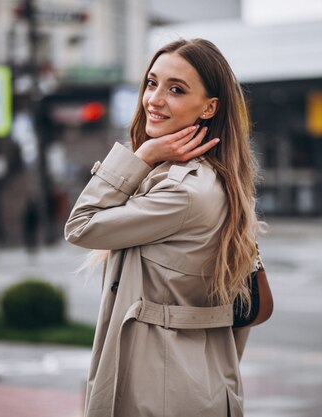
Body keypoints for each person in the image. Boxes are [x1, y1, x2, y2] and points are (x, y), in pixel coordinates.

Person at [65, 38, 262, 417]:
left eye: (176, 89)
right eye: (152, 83)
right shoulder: (223, 183)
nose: (154, 99)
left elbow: (80, 225)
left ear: (210, 107)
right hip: (198, 383)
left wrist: (141, 155)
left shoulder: (183, 191)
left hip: (159, 392)